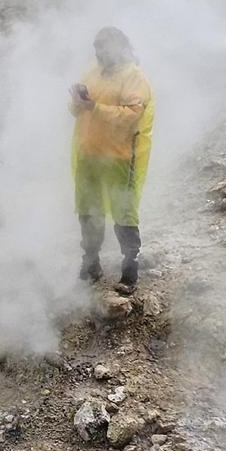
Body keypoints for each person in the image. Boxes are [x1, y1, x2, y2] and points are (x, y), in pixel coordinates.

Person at [69, 27, 155, 295]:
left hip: (119, 156)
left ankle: (130, 270)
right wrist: (77, 100)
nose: (100, 55)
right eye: (97, 50)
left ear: (120, 48)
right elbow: (75, 110)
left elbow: (131, 115)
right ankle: (91, 263)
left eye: (105, 50)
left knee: (123, 211)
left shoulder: (133, 76)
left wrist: (94, 107)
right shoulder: (92, 71)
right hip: (88, 154)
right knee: (88, 209)